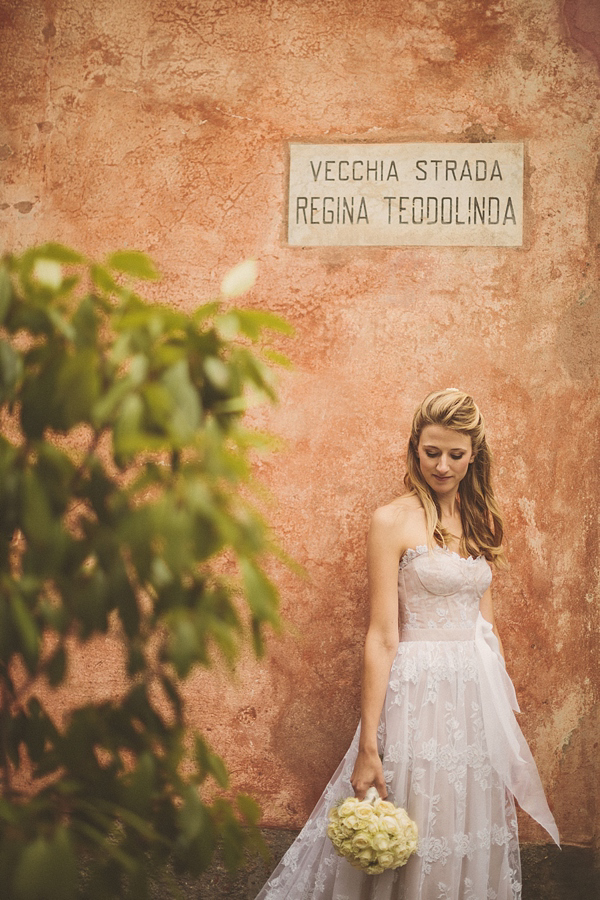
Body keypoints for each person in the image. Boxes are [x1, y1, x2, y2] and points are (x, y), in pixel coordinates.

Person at [254, 389, 559, 900]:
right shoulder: (392, 520)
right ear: (415, 449)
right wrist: (368, 744)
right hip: (416, 695)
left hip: (474, 699)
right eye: (430, 451)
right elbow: (381, 634)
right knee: (411, 814)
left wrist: (502, 722)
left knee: (461, 824)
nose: (442, 465)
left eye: (455, 455)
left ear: (473, 455)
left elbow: (489, 627)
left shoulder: (482, 519)